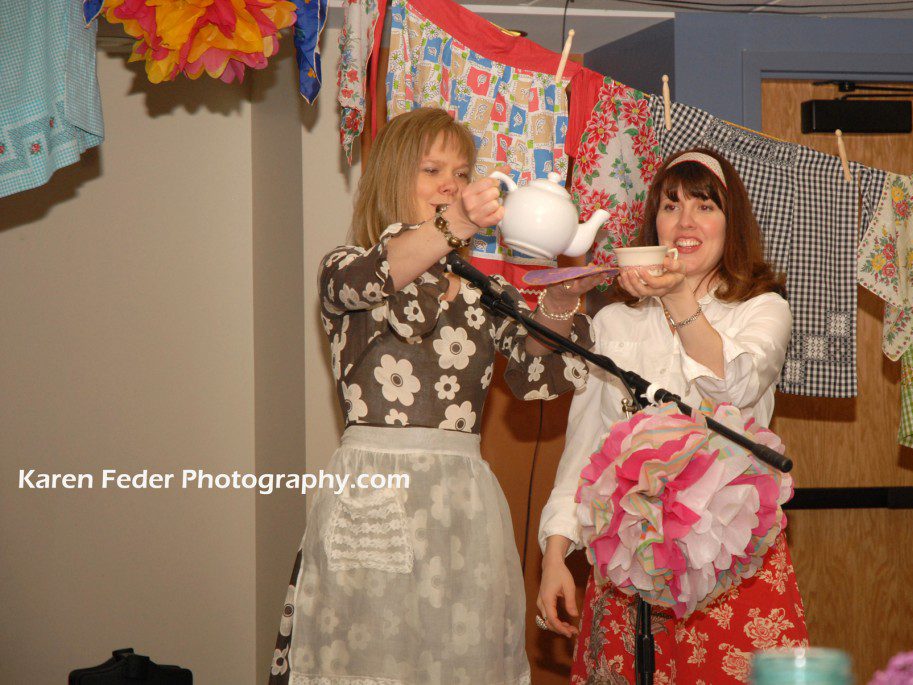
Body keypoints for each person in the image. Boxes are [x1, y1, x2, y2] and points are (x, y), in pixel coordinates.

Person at [268, 107, 602, 685]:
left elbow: (534, 369)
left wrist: (559, 303)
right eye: (432, 170)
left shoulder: (481, 291)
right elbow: (383, 273)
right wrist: (457, 222)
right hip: (375, 491)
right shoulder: (346, 268)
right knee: (368, 662)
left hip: (461, 502)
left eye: (462, 172)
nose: (451, 183)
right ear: (391, 177)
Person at [536, 148, 809, 683]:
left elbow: (733, 385)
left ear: (731, 225)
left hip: (729, 561)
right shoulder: (614, 322)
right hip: (627, 561)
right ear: (653, 224)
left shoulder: (763, 309)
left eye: (704, 206)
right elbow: (586, 449)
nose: (685, 222)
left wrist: (680, 296)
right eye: (671, 206)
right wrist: (554, 554)